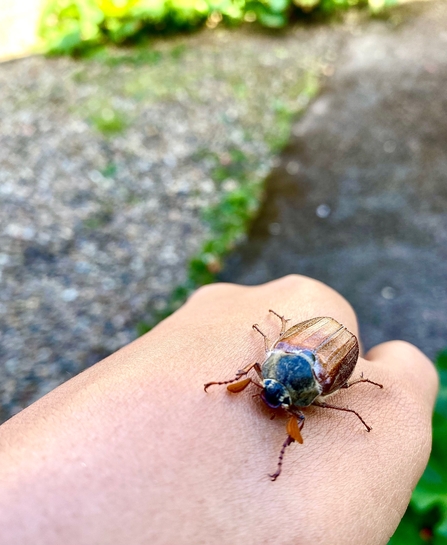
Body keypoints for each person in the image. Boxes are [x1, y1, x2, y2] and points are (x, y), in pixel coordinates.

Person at [0, 275, 438, 544]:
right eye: (265, 385)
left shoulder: (314, 391)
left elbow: (313, 397)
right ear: (266, 371)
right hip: (298, 341)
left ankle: (345, 381)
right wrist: (239, 381)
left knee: (344, 397)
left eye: (277, 397)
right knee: (284, 361)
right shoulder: (268, 364)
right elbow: (260, 364)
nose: (268, 397)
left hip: (326, 351)